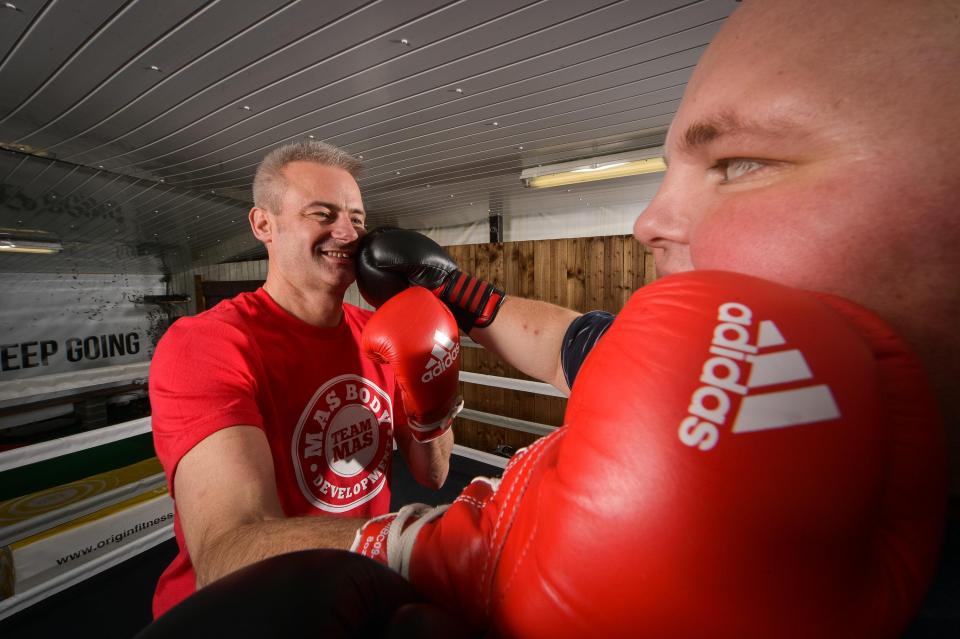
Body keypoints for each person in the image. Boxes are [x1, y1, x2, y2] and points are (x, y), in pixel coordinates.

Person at [344, 0, 959, 635]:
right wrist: (456, 291)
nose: (648, 223)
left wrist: (403, 557)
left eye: (740, 163)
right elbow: (564, 346)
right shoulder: (717, 363)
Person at [147, 141, 456, 618]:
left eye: (356, 216)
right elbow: (227, 552)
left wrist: (434, 389)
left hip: (357, 594)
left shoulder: (380, 332)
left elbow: (431, 474)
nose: (348, 232)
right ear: (263, 225)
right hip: (237, 618)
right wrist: (415, 543)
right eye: (322, 213)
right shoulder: (208, 345)